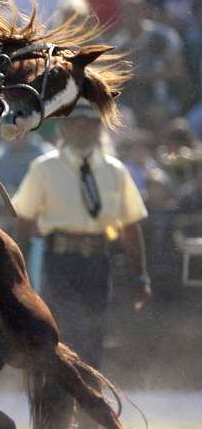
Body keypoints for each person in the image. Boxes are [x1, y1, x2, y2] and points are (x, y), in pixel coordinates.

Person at [13, 99, 152, 369]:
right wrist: (22, 272)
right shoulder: (45, 168)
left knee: (94, 333)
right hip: (59, 259)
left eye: (89, 125)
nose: (83, 130)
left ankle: (88, 398)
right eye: (76, 124)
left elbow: (130, 226)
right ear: (63, 129)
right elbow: (25, 219)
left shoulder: (115, 171)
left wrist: (140, 274)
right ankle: (62, 396)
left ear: (99, 129)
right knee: (65, 327)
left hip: (98, 261)